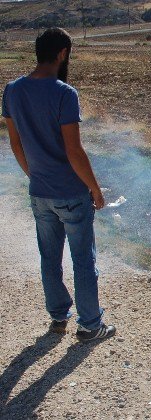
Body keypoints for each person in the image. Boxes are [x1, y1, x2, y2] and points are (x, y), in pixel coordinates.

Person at [2, 28, 115, 341]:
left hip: (39, 192)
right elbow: (74, 150)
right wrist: (94, 188)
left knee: (49, 258)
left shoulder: (11, 90)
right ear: (63, 53)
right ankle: (91, 324)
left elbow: (15, 143)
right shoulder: (65, 93)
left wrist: (33, 175)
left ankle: (58, 318)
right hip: (71, 193)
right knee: (83, 260)